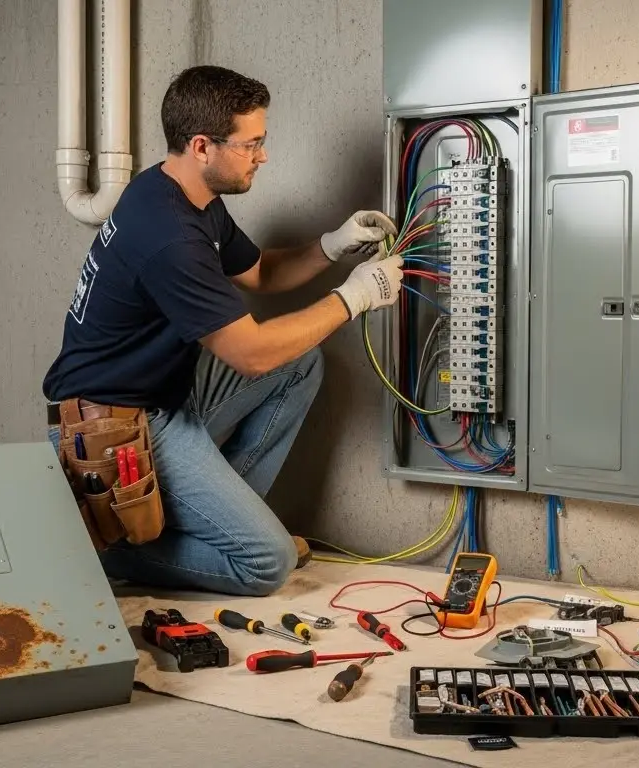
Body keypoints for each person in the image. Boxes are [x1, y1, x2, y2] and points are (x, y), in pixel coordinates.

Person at [41, 65, 403, 597]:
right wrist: (355, 297)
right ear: (202, 146)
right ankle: (117, 550)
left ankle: (215, 522)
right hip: (113, 430)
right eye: (250, 143)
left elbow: (260, 272)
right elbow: (250, 355)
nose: (263, 155)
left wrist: (332, 244)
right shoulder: (169, 236)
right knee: (266, 564)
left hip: (164, 400)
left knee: (300, 361)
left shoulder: (183, 194)